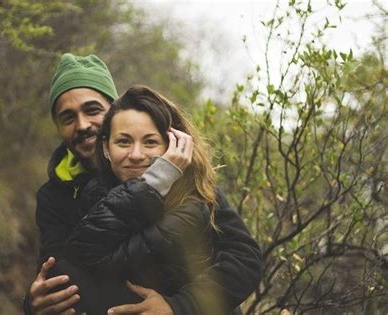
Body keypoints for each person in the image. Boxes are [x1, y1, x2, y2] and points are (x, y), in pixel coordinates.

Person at [23, 53, 262, 315]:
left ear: (113, 111)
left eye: (92, 110)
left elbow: (244, 258)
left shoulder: (184, 179)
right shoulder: (56, 194)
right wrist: (33, 305)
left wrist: (177, 306)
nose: (82, 125)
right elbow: (60, 274)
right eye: (67, 118)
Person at [60, 85, 229, 314]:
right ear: (106, 148)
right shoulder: (93, 195)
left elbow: (245, 261)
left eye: (150, 142)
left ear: (172, 147)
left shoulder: (193, 204)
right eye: (123, 142)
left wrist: (176, 306)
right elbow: (72, 266)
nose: (137, 155)